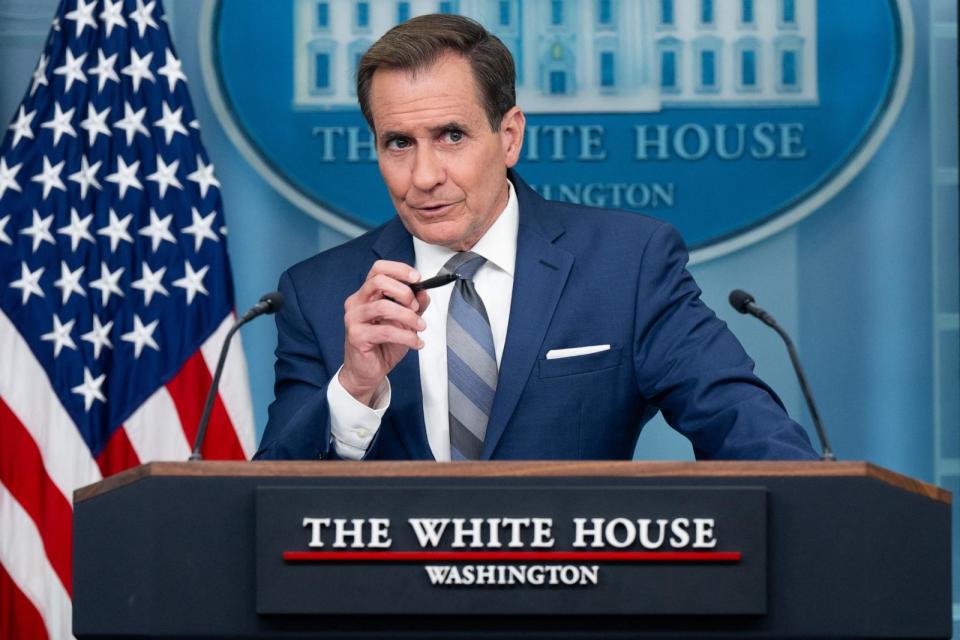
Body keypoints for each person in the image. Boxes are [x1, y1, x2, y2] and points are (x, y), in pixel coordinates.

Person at [254, 14, 818, 461]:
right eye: (398, 143)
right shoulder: (320, 294)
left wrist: (823, 512)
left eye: (451, 135)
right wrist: (354, 386)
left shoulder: (626, 266)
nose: (424, 176)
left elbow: (739, 422)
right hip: (388, 602)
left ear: (509, 136)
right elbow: (264, 503)